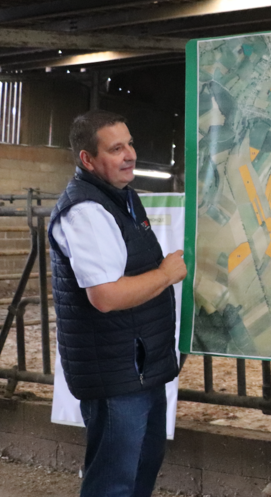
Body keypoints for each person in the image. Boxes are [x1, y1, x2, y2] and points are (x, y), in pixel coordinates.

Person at [48, 110, 187, 497]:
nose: (130, 154)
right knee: (113, 483)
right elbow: (105, 296)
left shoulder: (121, 197)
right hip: (115, 373)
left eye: (130, 144)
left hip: (138, 365)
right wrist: (164, 275)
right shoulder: (87, 211)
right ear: (87, 160)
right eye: (116, 148)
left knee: (140, 470)